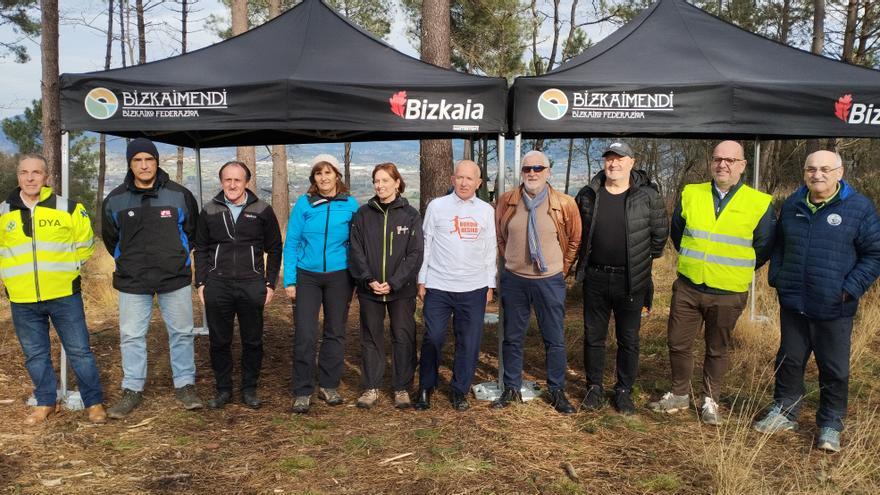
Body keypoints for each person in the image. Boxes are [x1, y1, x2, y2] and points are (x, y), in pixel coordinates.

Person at [754, 150, 880, 452]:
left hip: (834, 306)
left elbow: (874, 254)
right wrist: (778, 277)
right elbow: (781, 244)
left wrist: (848, 289)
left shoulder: (858, 208)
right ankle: (785, 411)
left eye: (825, 169)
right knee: (789, 360)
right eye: (811, 169)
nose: (817, 175)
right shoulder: (794, 204)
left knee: (834, 368)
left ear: (840, 172)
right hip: (794, 301)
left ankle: (830, 424)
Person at [649, 140, 775, 425]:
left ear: (742, 165)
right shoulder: (691, 194)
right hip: (689, 286)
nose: (723, 165)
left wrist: (731, 268)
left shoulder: (759, 203)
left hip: (729, 291)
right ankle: (680, 393)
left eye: (731, 160)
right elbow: (678, 234)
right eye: (718, 159)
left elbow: (764, 247)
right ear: (711, 163)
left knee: (717, 348)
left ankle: (710, 400)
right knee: (677, 343)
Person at [0, 154, 106, 425]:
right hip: (22, 298)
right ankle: (46, 401)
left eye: (36, 172)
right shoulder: (3, 213)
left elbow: (85, 244)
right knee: (35, 355)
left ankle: (93, 402)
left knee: (80, 351)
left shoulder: (67, 208)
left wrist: (66, 271)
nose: (30, 177)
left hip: (63, 295)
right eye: (25, 172)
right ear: (18, 176)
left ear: (46, 177)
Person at [102, 138, 202, 418]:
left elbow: (192, 233)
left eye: (149, 159)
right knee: (132, 336)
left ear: (157, 162)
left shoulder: (179, 195)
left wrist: (176, 255)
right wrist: (128, 261)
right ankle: (132, 389)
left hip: (174, 277)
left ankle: (185, 385)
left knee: (182, 333)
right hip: (133, 280)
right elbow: (112, 239)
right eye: (137, 160)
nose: (144, 165)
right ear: (130, 164)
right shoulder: (115, 199)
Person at [574, 142, 668, 414]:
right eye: (609, 159)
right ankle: (594, 388)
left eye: (619, 159)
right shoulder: (589, 194)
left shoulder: (648, 197)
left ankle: (624, 390)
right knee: (594, 336)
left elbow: (659, 238)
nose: (613, 164)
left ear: (631, 162)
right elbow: (578, 232)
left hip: (631, 280)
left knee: (629, 339)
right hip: (596, 278)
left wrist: (637, 261)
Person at [493, 150, 582, 414]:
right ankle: (511, 387)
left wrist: (560, 269)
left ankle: (556, 390)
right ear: (521, 172)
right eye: (527, 168)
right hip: (515, 280)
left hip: (549, 281)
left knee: (554, 338)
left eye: (538, 168)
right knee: (512, 337)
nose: (532, 173)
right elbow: (500, 235)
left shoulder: (563, 203)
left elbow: (575, 239)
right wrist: (511, 261)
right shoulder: (508, 200)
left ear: (548, 172)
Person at [194, 161, 282, 409]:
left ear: (246, 182)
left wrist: (270, 283)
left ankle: (249, 389)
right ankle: (223, 389)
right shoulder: (209, 210)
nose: (232, 185)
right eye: (227, 180)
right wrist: (201, 282)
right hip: (217, 284)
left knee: (252, 340)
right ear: (222, 181)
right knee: (219, 341)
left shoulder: (262, 210)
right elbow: (200, 248)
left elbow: (275, 248)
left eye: (237, 180)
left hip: (251, 284)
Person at [413, 160, 496, 412]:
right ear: (452, 179)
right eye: (459, 177)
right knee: (433, 337)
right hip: (439, 285)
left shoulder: (485, 210)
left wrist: (490, 283)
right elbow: (426, 244)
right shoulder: (437, 207)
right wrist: (422, 278)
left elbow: (490, 248)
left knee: (469, 342)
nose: (464, 182)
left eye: (469, 179)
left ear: (479, 183)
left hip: (474, 287)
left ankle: (460, 390)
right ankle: (427, 386)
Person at [284, 154, 359, 414]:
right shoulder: (304, 204)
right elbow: (291, 243)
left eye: (328, 172)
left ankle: (329, 384)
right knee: (305, 333)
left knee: (335, 332)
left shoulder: (350, 204)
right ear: (313, 178)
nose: (324, 178)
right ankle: (303, 390)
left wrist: (358, 277)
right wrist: (290, 280)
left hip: (340, 275)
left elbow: (358, 243)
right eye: (318, 173)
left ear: (337, 175)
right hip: (307, 276)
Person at [349, 163, 423, 409]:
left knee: (403, 336)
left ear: (397, 183)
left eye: (385, 180)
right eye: (376, 181)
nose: (380, 185)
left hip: (401, 290)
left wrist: (394, 282)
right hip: (370, 289)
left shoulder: (410, 214)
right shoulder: (362, 214)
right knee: (371, 337)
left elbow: (415, 254)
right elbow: (356, 249)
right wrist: (368, 279)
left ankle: (402, 388)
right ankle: (371, 387)